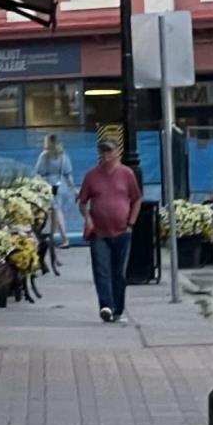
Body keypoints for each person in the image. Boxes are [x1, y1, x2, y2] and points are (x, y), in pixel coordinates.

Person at [78, 137, 141, 323]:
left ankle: (118, 309)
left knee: (118, 272)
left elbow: (136, 199)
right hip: (99, 232)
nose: (106, 155)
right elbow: (82, 202)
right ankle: (106, 306)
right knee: (102, 270)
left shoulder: (127, 174)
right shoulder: (92, 176)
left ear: (117, 152)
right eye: (103, 151)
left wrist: (131, 224)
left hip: (122, 231)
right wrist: (88, 218)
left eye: (109, 151)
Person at [34, 134, 74, 275]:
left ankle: (63, 237)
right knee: (57, 211)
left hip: (49, 185)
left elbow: (39, 172)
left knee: (54, 211)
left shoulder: (44, 156)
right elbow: (68, 174)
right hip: (61, 185)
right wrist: (73, 188)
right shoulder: (63, 156)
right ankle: (56, 240)